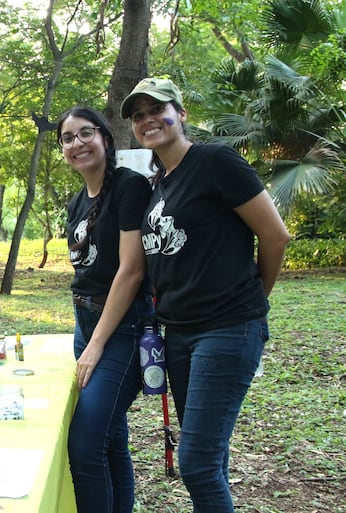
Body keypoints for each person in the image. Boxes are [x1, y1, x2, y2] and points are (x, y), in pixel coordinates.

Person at [120, 78, 290, 512]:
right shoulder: (159, 183)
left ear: (181, 113)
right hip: (178, 335)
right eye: (138, 115)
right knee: (210, 456)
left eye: (157, 109)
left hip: (227, 328)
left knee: (194, 462)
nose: (148, 120)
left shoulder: (215, 160)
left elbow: (275, 235)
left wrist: (254, 300)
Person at [57, 107, 154, 513]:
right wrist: (86, 337)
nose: (76, 144)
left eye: (85, 134)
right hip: (85, 322)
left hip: (122, 328)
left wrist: (95, 345)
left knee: (85, 444)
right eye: (67, 138)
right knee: (112, 439)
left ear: (105, 138)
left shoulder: (130, 186)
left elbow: (131, 272)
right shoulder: (76, 202)